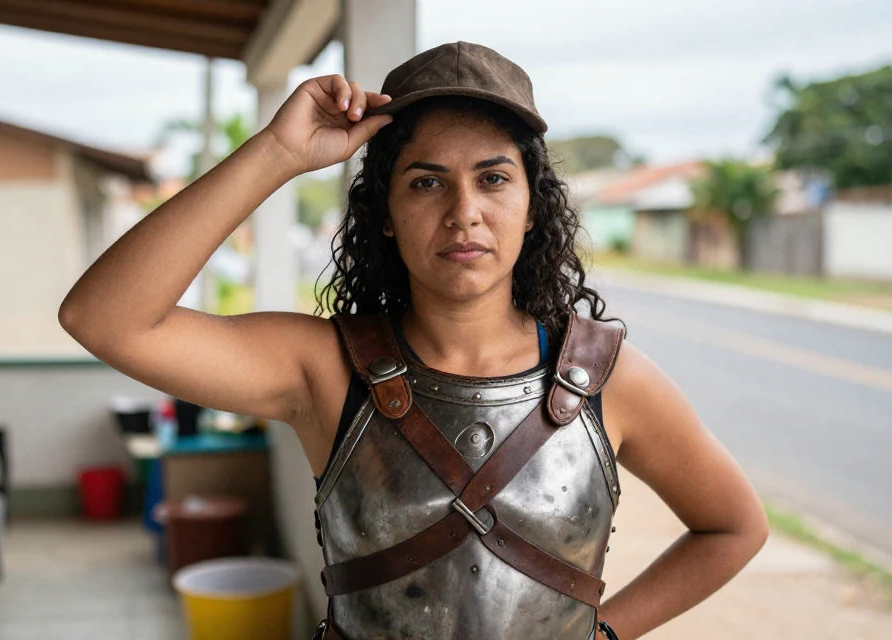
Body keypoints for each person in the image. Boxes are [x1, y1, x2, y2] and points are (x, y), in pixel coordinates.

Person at [60, 41, 768, 640]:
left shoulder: (608, 379)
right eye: (427, 183)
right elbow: (106, 320)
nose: (465, 213)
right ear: (387, 214)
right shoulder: (323, 371)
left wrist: (604, 633)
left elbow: (734, 528)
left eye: (494, 179)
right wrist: (278, 152)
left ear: (530, 207)